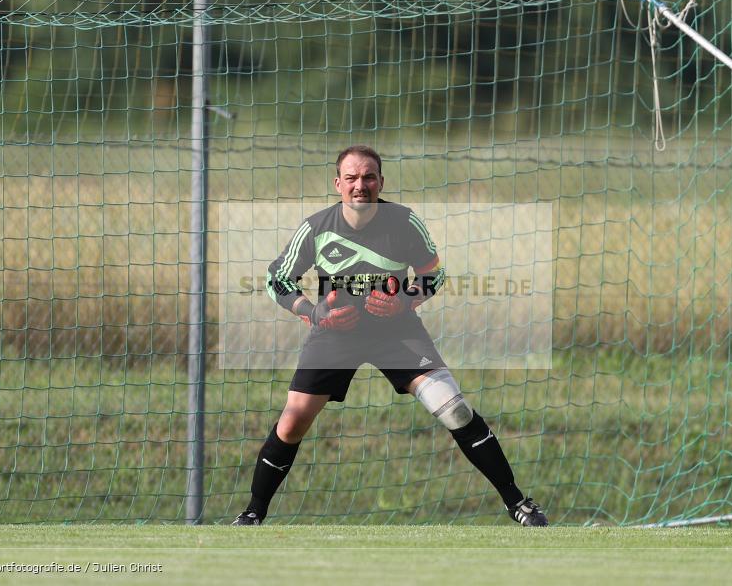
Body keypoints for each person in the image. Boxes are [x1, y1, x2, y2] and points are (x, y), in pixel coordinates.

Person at [233, 145, 547, 527]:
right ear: (338, 184)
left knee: (455, 408)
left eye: (368, 177)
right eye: (351, 178)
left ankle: (518, 503)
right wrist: (313, 311)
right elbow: (276, 279)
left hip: (396, 333)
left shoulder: (404, 222)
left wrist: (405, 301)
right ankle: (253, 514)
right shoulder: (315, 228)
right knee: (292, 421)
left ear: (381, 182)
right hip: (334, 336)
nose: (360, 185)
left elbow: (434, 275)